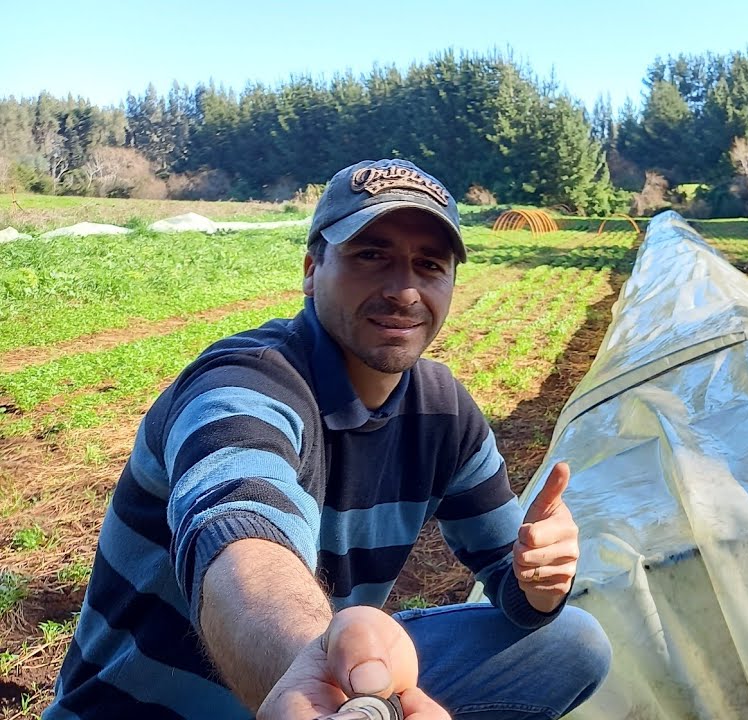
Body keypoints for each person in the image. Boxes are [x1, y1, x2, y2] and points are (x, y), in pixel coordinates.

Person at [43, 159, 612, 719]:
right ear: (312, 270)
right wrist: (310, 665)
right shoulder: (243, 383)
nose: (404, 291)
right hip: (167, 705)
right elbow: (239, 528)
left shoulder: (444, 412)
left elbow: (508, 580)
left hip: (325, 684)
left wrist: (540, 578)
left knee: (571, 644)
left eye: (430, 265)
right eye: (371, 256)